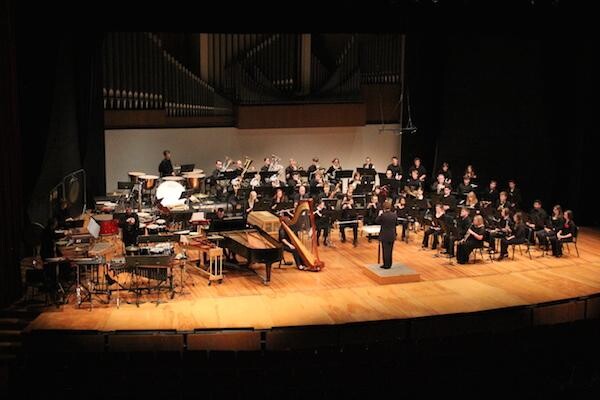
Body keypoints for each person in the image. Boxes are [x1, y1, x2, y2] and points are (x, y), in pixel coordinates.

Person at [376, 200, 398, 269]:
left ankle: (386, 265)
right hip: (392, 234)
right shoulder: (394, 215)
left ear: (384, 208)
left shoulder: (383, 215)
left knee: (385, 250)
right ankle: (389, 264)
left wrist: (379, 215)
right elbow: (396, 223)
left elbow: (377, 221)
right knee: (390, 250)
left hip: (384, 235)